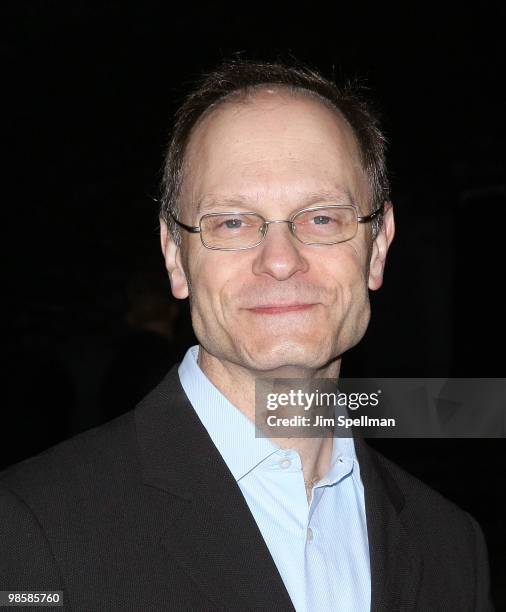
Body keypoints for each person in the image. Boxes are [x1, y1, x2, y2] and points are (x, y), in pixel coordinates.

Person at [0, 58, 494, 611]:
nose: (280, 261)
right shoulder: (29, 529)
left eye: (322, 218)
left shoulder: (453, 547)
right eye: (232, 222)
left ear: (378, 246)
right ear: (175, 255)